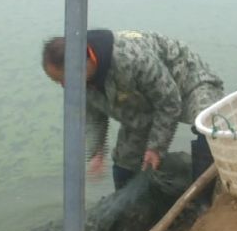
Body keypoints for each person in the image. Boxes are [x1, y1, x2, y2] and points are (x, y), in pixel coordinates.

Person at [42, 29, 224, 190]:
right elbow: (95, 114)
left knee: (207, 125)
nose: (64, 86)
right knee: (125, 163)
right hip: (142, 101)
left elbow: (169, 103)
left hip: (188, 79)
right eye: (57, 81)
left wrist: (155, 148)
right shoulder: (80, 80)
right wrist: (98, 151)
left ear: (83, 63)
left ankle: (203, 200)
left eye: (65, 79)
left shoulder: (130, 59)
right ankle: (132, 214)